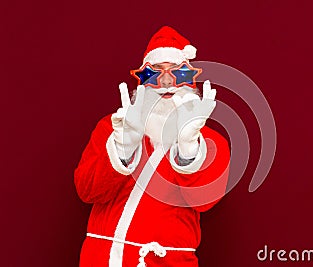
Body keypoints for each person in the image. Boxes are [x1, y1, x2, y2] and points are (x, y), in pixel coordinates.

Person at [74, 26, 230, 267]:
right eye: (155, 73)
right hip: (100, 259)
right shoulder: (113, 127)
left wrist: (188, 145)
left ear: (191, 81)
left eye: (177, 73)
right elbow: (86, 190)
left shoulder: (210, 143)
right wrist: (124, 145)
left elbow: (204, 200)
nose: (166, 82)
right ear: (143, 81)